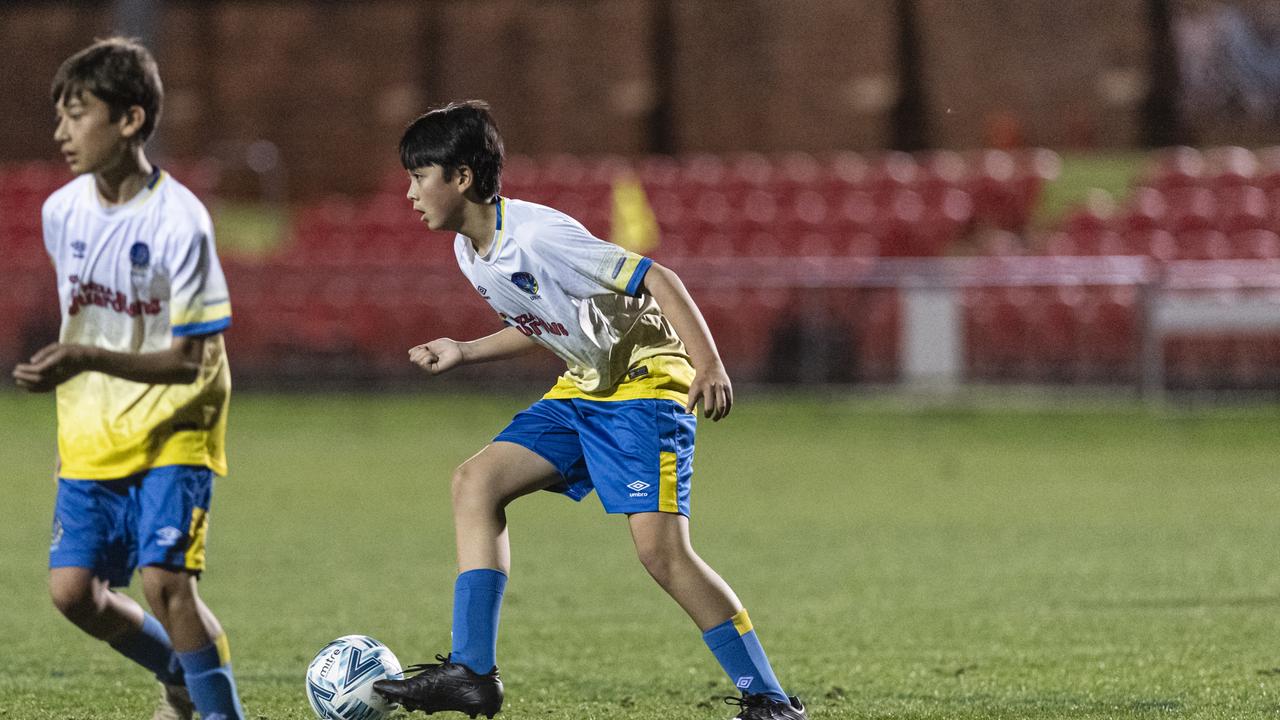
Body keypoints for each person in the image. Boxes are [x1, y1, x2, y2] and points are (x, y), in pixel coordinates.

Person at [372, 101, 807, 720]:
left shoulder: (539, 235)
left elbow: (659, 277)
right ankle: (472, 673)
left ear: (462, 177)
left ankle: (768, 700)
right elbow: (545, 321)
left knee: (661, 553)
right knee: (475, 483)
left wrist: (708, 363)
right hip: (584, 386)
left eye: (419, 176)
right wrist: (464, 350)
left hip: (643, 383)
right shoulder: (472, 252)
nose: (410, 192)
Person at [12, 37, 245, 720]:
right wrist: (74, 420)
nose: (62, 133)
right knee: (72, 593)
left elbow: (193, 359)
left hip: (178, 421)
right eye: (59, 116)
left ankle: (215, 707)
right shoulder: (63, 214)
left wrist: (82, 359)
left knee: (166, 583)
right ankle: (186, 673)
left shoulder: (182, 222)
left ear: (131, 120)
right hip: (95, 429)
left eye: (78, 114)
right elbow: (88, 318)